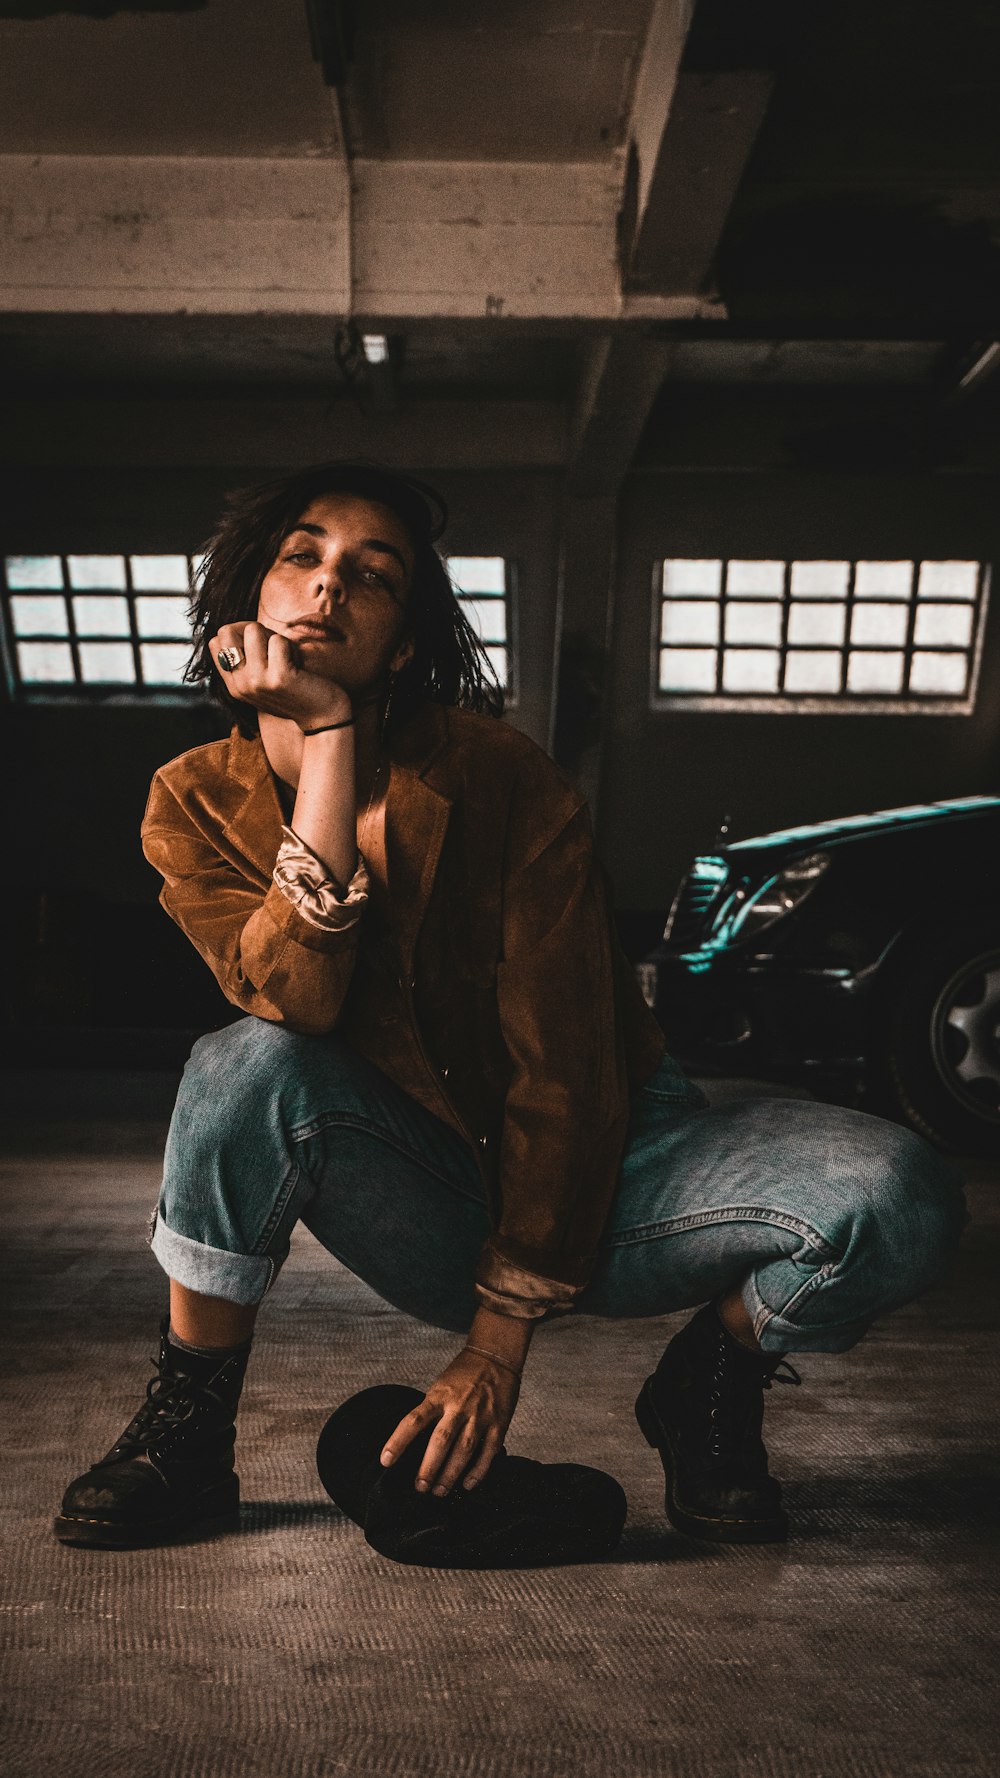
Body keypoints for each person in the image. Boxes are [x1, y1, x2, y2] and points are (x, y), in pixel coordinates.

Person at [54, 463, 967, 1551]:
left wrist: (494, 1348)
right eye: (301, 555)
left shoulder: (503, 781)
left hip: (628, 1161)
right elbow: (293, 1000)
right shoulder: (193, 799)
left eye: (372, 574)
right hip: (428, 1187)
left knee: (897, 1191)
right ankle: (188, 1438)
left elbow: (567, 1069)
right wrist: (331, 740)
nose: (327, 586)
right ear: (249, 597)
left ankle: (710, 1381)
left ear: (402, 644)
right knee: (241, 1062)